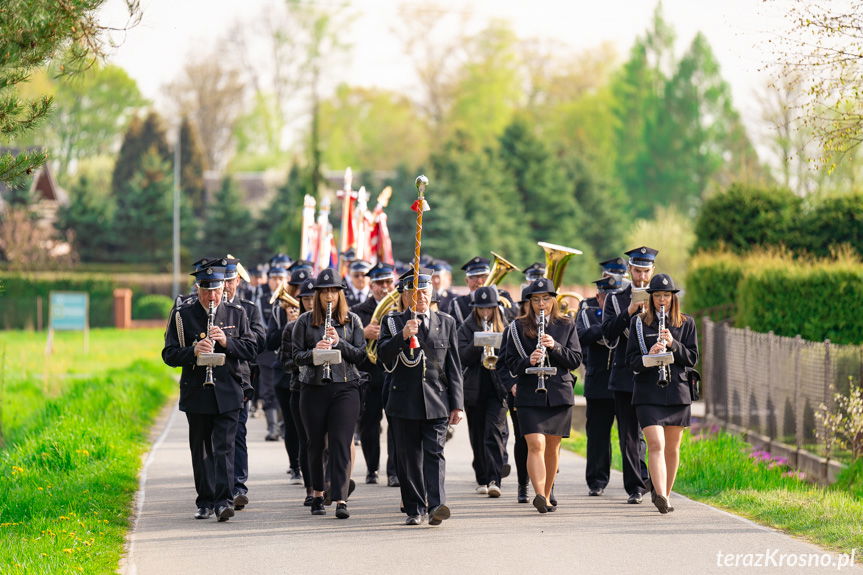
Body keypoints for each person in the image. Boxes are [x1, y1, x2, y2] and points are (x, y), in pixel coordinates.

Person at [162, 261, 258, 522]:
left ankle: (224, 501)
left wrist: (227, 342)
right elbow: (169, 354)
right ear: (198, 289)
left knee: (225, 447)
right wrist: (193, 351)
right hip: (196, 391)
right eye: (206, 291)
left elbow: (251, 349)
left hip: (229, 390)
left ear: (223, 288)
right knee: (201, 449)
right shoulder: (182, 315)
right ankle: (205, 500)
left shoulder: (237, 313)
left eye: (216, 290)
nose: (212, 296)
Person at [378, 268, 464, 526]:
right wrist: (403, 336)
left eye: (425, 293)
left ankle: (436, 505)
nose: (421, 298)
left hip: (437, 400)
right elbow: (383, 356)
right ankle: (415, 508)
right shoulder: (392, 322)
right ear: (405, 296)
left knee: (435, 453)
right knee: (408, 458)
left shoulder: (446, 322)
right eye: (415, 294)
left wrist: (457, 405)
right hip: (403, 400)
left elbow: (454, 366)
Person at [499, 277, 582, 514]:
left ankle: (546, 494)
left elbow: (575, 360)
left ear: (553, 300)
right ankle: (538, 495)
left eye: (545, 299)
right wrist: (529, 361)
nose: (541, 304)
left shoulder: (566, 325)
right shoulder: (516, 327)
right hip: (529, 393)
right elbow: (507, 362)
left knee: (552, 447)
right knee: (535, 443)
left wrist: (555, 346)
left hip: (558, 393)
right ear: (530, 303)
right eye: (536, 300)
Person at [292, 268, 366, 519]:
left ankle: (341, 498)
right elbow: (295, 357)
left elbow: (361, 356)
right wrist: (315, 352)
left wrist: (339, 343)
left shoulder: (352, 321)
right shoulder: (304, 321)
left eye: (333, 291)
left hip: (345, 386)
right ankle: (316, 494)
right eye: (324, 292)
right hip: (313, 387)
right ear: (317, 295)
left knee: (341, 442)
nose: (329, 296)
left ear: (340, 293)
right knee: (314, 443)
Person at [626, 273, 698, 514]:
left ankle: (664, 494)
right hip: (648, 392)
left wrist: (673, 345)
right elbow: (631, 361)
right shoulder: (638, 323)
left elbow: (692, 358)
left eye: (666, 295)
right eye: (657, 295)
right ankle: (661, 496)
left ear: (673, 298)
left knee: (672, 447)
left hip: (677, 391)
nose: (662, 300)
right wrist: (650, 355)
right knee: (656, 443)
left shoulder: (686, 323)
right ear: (651, 298)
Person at [601, 246, 658, 504]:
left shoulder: (661, 296)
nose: (642, 277)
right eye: (637, 271)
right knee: (629, 436)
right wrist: (629, 312)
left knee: (654, 434)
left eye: (646, 271)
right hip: (625, 374)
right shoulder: (615, 299)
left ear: (652, 270)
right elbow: (608, 333)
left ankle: (657, 484)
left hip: (654, 374)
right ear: (629, 269)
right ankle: (635, 487)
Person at [222, 257, 267, 511]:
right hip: (214, 379)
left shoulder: (248, 309)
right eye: (222, 281)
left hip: (240, 378)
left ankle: (238, 486)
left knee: (238, 432)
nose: (226, 285)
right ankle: (220, 486)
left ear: (238, 281)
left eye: (230, 280)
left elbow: (259, 341)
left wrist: (233, 337)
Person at [457, 286, 509, 498]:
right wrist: (478, 343)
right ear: (475, 309)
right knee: (477, 435)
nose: (485, 312)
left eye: (489, 308)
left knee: (494, 433)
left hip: (497, 389)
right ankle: (482, 478)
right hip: (474, 389)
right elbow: (461, 356)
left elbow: (510, 356)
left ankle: (495, 479)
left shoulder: (505, 327)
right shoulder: (466, 328)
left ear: (495, 308)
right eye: (481, 309)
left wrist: (495, 345)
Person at [351, 262, 399, 486]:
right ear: (371, 286)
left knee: (396, 424)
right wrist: (363, 333)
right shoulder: (358, 311)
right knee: (369, 424)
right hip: (369, 375)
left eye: (388, 282)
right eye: (380, 283)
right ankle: (372, 469)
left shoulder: (399, 308)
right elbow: (347, 341)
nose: (385, 287)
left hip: (394, 373)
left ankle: (394, 471)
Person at [575, 275, 619, 497]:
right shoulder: (587, 312)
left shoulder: (625, 314)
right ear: (598, 297)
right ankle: (596, 481)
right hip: (598, 382)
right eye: (605, 297)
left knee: (633, 436)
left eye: (613, 298)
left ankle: (638, 481)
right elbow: (581, 336)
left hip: (622, 381)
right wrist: (607, 327)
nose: (609, 301)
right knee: (597, 436)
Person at [280, 278, 317, 506]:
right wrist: (309, 357)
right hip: (300, 388)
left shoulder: (331, 324)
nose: (310, 302)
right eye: (305, 298)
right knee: (306, 440)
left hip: (326, 388)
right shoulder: (291, 328)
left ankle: (327, 484)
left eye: (313, 298)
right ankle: (310, 487)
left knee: (325, 441)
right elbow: (285, 363)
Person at [273, 267, 310, 482]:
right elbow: (269, 341)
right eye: (295, 288)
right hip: (285, 376)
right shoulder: (279, 311)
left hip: (308, 376)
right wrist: (288, 324)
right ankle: (294, 466)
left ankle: (309, 467)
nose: (299, 294)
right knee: (291, 424)